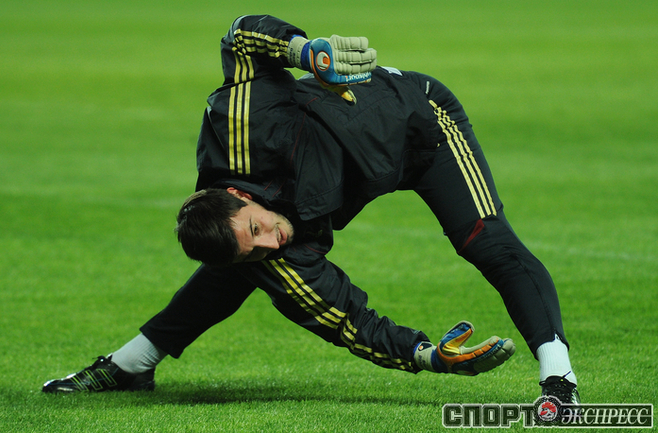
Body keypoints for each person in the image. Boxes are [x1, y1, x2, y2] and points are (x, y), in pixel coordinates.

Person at [42, 14, 578, 403]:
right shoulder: (269, 250)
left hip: (423, 126)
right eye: (257, 245)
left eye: (257, 227)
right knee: (245, 269)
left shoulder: (242, 126)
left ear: (241, 196)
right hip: (366, 164)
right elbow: (347, 321)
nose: (273, 240)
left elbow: (241, 36)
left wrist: (304, 52)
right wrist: (427, 356)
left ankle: (559, 379)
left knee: (488, 242)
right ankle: (131, 364)